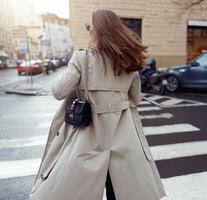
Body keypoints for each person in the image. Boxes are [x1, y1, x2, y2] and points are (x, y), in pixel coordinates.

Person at [28, 9, 166, 200]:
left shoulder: (82, 58)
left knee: (79, 188)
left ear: (97, 30)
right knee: (120, 189)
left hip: (88, 136)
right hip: (123, 136)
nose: (88, 31)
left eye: (89, 27)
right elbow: (135, 99)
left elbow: (58, 91)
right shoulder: (128, 62)